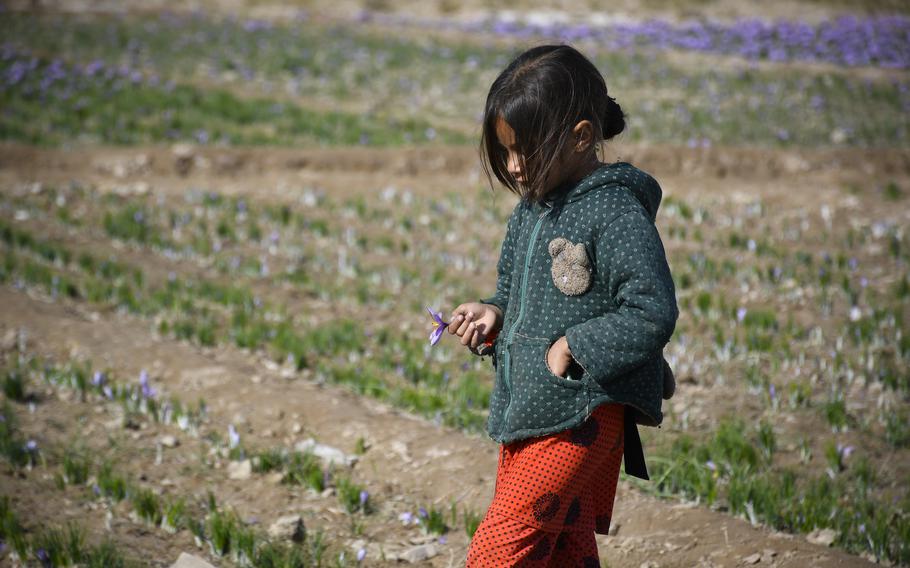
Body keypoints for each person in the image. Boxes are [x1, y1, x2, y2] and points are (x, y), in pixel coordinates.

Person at [447, 44, 679, 566]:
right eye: (504, 152)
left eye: (525, 150)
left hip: (582, 412)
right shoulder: (533, 210)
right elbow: (512, 290)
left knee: (499, 550)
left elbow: (651, 309)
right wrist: (493, 313)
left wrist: (579, 342)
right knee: (561, 552)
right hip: (530, 409)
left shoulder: (614, 211)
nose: (513, 167)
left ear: (580, 137)